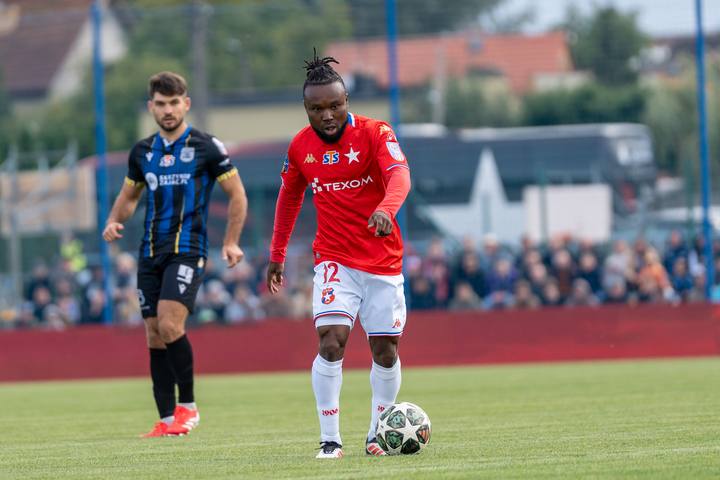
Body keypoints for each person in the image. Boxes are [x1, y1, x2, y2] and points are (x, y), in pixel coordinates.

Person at [266, 53, 411, 459]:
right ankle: (330, 440)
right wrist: (277, 253)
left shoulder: (375, 133)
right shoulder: (300, 146)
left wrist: (386, 210)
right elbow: (288, 198)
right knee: (331, 342)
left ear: (346, 100)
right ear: (306, 108)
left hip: (382, 260)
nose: (327, 115)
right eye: (317, 108)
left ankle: (377, 434)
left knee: (385, 352)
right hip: (334, 260)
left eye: (335, 105)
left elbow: (400, 175)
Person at [103, 72, 247, 438]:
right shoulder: (142, 152)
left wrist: (231, 241)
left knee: (169, 325)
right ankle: (167, 420)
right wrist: (114, 221)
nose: (168, 110)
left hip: (188, 250)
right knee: (154, 334)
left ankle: (189, 408)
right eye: (161, 104)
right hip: (150, 252)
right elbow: (129, 196)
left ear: (186, 104)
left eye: (174, 103)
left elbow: (237, 195)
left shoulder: (206, 147)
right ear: (151, 107)